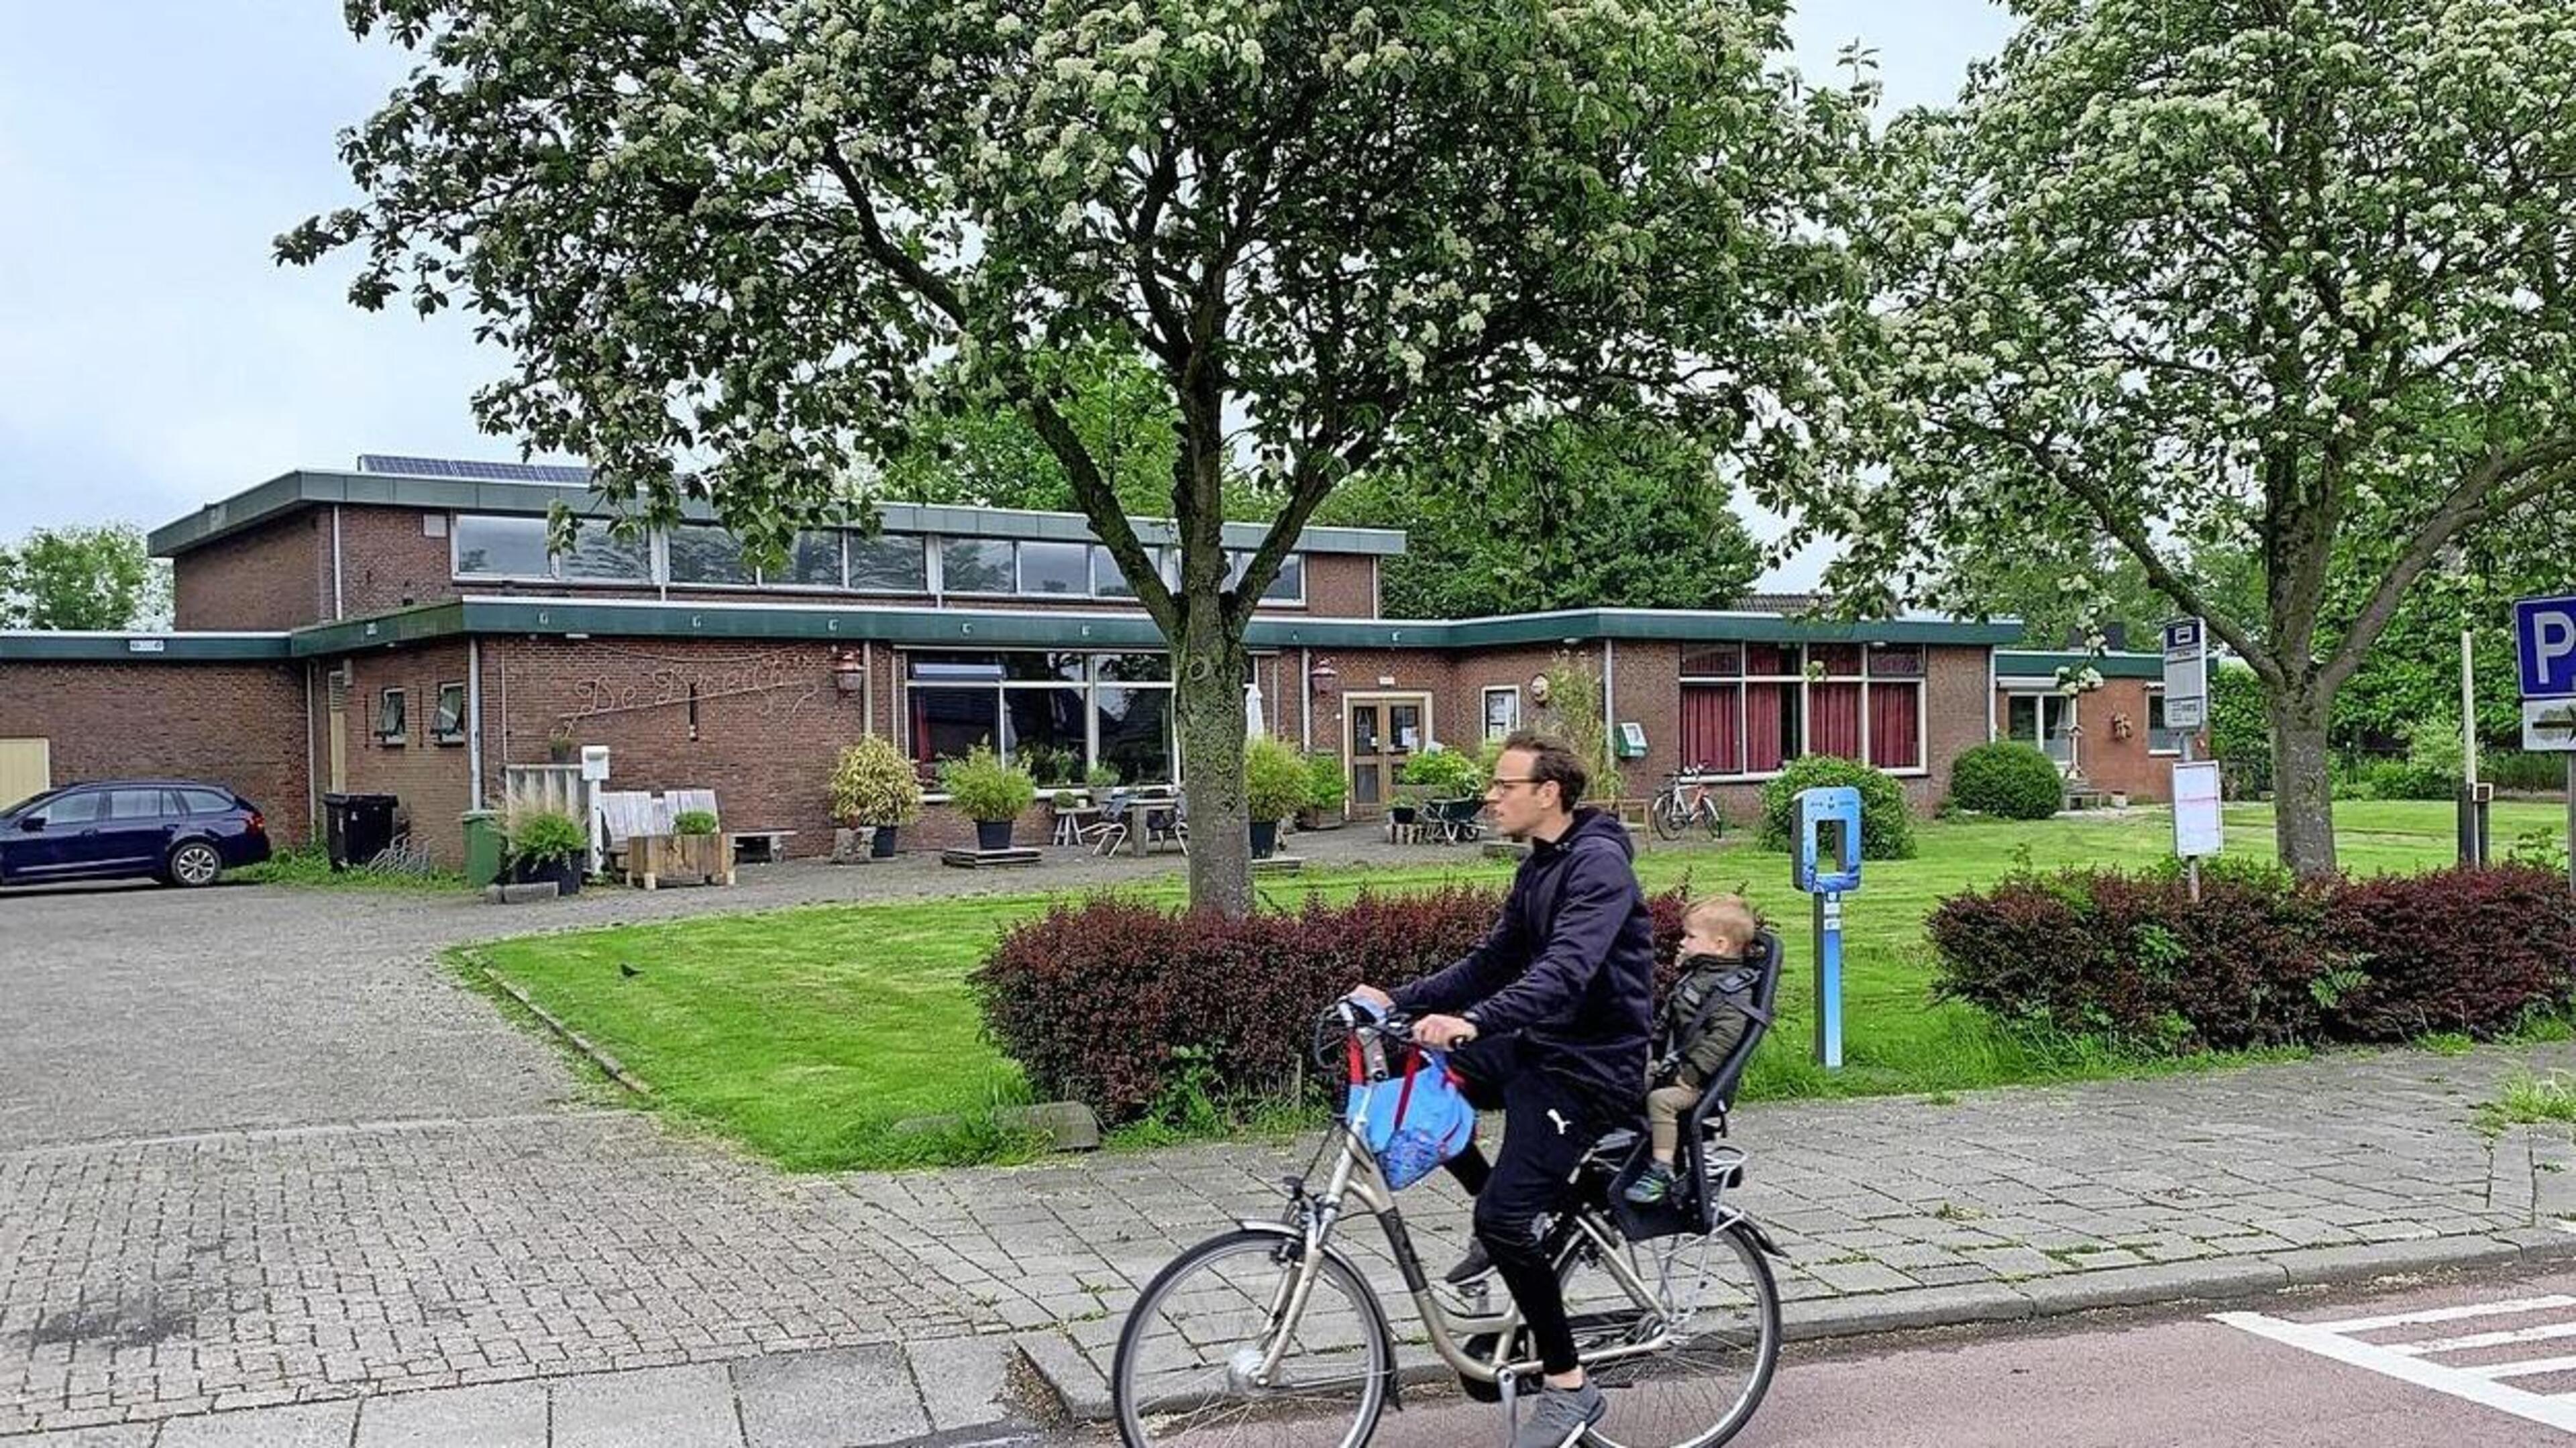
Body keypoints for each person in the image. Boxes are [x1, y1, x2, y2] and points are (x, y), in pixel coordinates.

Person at [1349, 730, 1654, 1448]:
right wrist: (1398, 1001)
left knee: (1502, 1222)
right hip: (1544, 1047)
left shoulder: (1599, 866)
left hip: (1589, 1066)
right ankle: (1512, 1216)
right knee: (1436, 1077)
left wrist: (1473, 1022)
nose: (1490, 796)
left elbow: (1565, 973)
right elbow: (1493, 960)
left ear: (1548, 792)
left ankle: (1570, 1385)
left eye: (1503, 784)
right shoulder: (1543, 865)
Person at [1625, 893, 1761, 1207]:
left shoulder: (1731, 991)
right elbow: (1665, 1023)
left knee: (1660, 1101)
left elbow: (1724, 1038)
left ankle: (1661, 1170)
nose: (1682, 943)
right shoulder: (1698, 978)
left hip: (1700, 1085)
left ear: (1720, 945)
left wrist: (1691, 1073)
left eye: (1690, 936)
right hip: (1676, 1068)